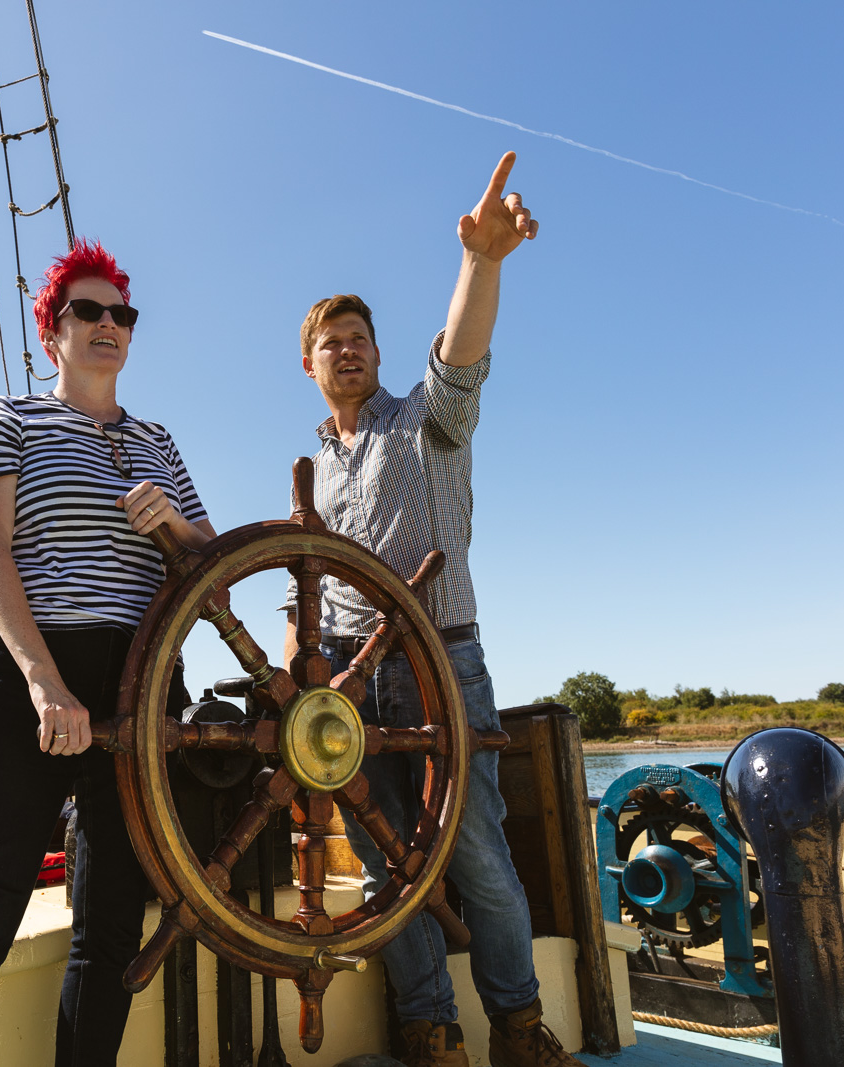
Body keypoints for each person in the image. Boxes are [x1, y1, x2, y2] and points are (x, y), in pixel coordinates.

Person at [283, 153, 574, 1067]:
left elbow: (460, 353)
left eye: (361, 335)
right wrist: (299, 686)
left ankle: (519, 1029)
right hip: (353, 690)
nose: (351, 348)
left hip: (446, 661)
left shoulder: (427, 423)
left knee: (477, 852)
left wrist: (481, 262)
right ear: (308, 363)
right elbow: (305, 586)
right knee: (380, 861)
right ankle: (429, 1028)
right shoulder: (313, 471)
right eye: (333, 341)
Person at [0, 240, 215, 1067]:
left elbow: (214, 579)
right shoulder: (9, 418)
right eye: (89, 310)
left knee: (111, 922)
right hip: (24, 674)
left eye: (122, 314)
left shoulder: (160, 442)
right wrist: (43, 681)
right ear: (53, 330)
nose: (109, 324)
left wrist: (173, 528)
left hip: (142, 684)